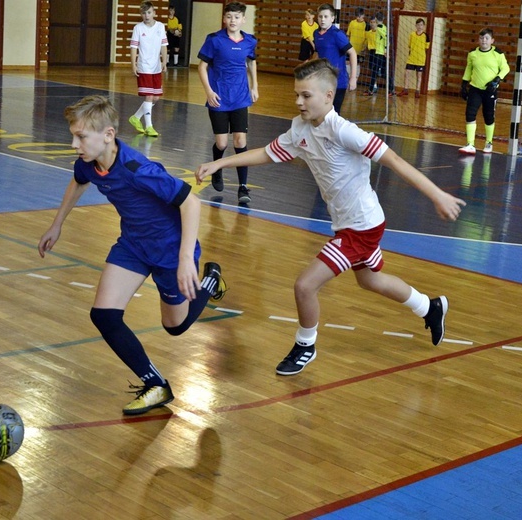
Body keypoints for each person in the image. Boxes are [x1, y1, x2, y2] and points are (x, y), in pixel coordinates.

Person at [195, 59, 466, 376]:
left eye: (306, 95)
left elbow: (392, 159)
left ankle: (305, 345)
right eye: (297, 95)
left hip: (361, 227)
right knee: (370, 280)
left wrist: (437, 195)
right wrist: (219, 165)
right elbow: (268, 153)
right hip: (352, 223)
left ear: (328, 96)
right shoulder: (300, 129)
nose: (298, 102)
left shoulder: (344, 132)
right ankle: (429, 307)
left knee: (305, 286)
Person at [38, 95, 227, 414]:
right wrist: (57, 224)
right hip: (133, 245)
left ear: (108, 135)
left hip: (169, 250)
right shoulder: (89, 162)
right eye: (73, 135)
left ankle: (209, 280)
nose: (74, 144)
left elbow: (190, 202)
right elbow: (78, 181)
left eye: (81, 136)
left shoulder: (139, 169)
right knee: (104, 315)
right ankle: (156, 385)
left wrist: (184, 260)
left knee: (175, 327)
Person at [197, 1, 259, 204]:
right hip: (219, 98)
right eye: (229, 16)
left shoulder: (249, 41)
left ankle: (243, 187)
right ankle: (217, 168)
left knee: (240, 141)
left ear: (243, 19)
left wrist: (254, 86)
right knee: (222, 143)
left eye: (237, 17)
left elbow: (251, 62)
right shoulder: (214, 40)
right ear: (225, 19)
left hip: (240, 97)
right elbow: (202, 67)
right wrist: (208, 91)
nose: (233, 20)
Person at [458, 28, 510, 155]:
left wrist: (497, 80)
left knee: (488, 116)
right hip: (475, 89)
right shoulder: (473, 54)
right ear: (478, 39)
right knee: (470, 114)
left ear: (492, 40)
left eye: (486, 38)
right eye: (481, 38)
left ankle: (489, 142)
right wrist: (464, 85)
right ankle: (470, 144)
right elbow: (468, 69)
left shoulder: (498, 54)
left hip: (490, 90)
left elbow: (505, 68)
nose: (484, 41)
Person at [129, 1, 168, 137]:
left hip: (156, 66)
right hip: (144, 66)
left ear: (154, 13)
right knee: (149, 96)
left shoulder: (160, 27)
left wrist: (164, 61)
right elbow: (133, 47)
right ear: (141, 14)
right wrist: (133, 64)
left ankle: (135, 117)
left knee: (156, 97)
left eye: (149, 12)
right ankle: (149, 126)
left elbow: (164, 45)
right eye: (144, 13)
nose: (146, 15)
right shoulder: (138, 28)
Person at [313, 3, 357, 114]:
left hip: (338, 82)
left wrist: (353, 78)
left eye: (326, 17)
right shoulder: (316, 34)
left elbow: (352, 53)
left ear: (332, 18)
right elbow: (317, 54)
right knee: (320, 112)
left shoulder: (337, 34)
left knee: (333, 113)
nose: (323, 19)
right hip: (322, 80)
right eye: (320, 16)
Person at [397, 18, 430, 98]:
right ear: (416, 25)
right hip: (411, 58)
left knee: (419, 75)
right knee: (407, 73)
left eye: (421, 25)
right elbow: (410, 46)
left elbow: (426, 48)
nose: (419, 26)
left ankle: (417, 91)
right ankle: (405, 89)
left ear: (424, 26)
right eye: (418, 25)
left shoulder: (426, 36)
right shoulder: (412, 34)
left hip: (420, 59)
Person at [365, 12, 394, 96]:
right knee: (379, 72)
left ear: (377, 20)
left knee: (378, 72)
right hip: (378, 52)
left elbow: (386, 38)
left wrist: (385, 50)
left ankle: (372, 89)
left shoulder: (380, 29)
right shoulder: (383, 27)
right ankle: (389, 89)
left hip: (380, 53)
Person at [345, 8, 367, 81]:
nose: (363, 18)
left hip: (360, 49)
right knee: (348, 63)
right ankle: (347, 79)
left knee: (357, 64)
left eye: (363, 17)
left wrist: (364, 47)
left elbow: (366, 37)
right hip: (351, 48)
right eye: (361, 17)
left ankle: (355, 81)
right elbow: (348, 35)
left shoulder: (365, 25)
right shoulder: (352, 23)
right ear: (357, 17)